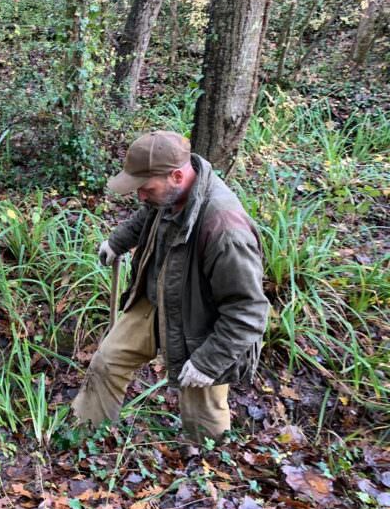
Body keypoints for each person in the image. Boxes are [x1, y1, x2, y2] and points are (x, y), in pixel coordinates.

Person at [72, 131, 269, 442]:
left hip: (204, 325)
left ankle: (209, 474)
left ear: (177, 176)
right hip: (155, 300)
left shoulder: (225, 230)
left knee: (202, 409)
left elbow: (249, 311)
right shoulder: (167, 193)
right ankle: (83, 439)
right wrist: (117, 242)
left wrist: (208, 362)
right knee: (107, 362)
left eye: (145, 188)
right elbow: (146, 214)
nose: (140, 196)